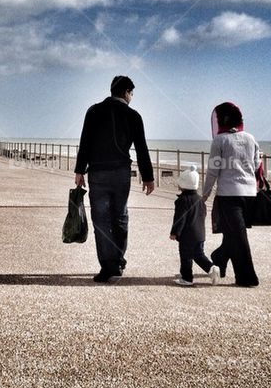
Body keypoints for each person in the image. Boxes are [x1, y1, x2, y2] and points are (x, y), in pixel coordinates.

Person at [74, 75, 154, 283]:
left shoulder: (93, 111)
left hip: (98, 173)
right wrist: (148, 177)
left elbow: (85, 142)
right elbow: (141, 149)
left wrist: (79, 170)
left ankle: (108, 266)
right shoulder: (133, 116)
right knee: (120, 216)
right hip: (121, 173)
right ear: (127, 92)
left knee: (100, 219)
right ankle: (118, 259)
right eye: (132, 93)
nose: (132, 97)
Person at [202, 102, 261, 287]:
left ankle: (246, 276)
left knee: (237, 234)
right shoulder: (251, 139)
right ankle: (219, 258)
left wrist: (204, 194)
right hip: (250, 193)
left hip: (228, 193)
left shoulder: (219, 141)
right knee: (235, 233)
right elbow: (257, 164)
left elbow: (213, 170)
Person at [169, 166, 219, 287]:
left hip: (187, 235)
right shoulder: (200, 200)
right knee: (199, 255)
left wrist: (174, 232)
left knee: (185, 256)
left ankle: (187, 278)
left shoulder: (182, 201)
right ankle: (211, 268)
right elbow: (203, 214)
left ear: (182, 185)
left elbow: (180, 218)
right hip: (200, 234)